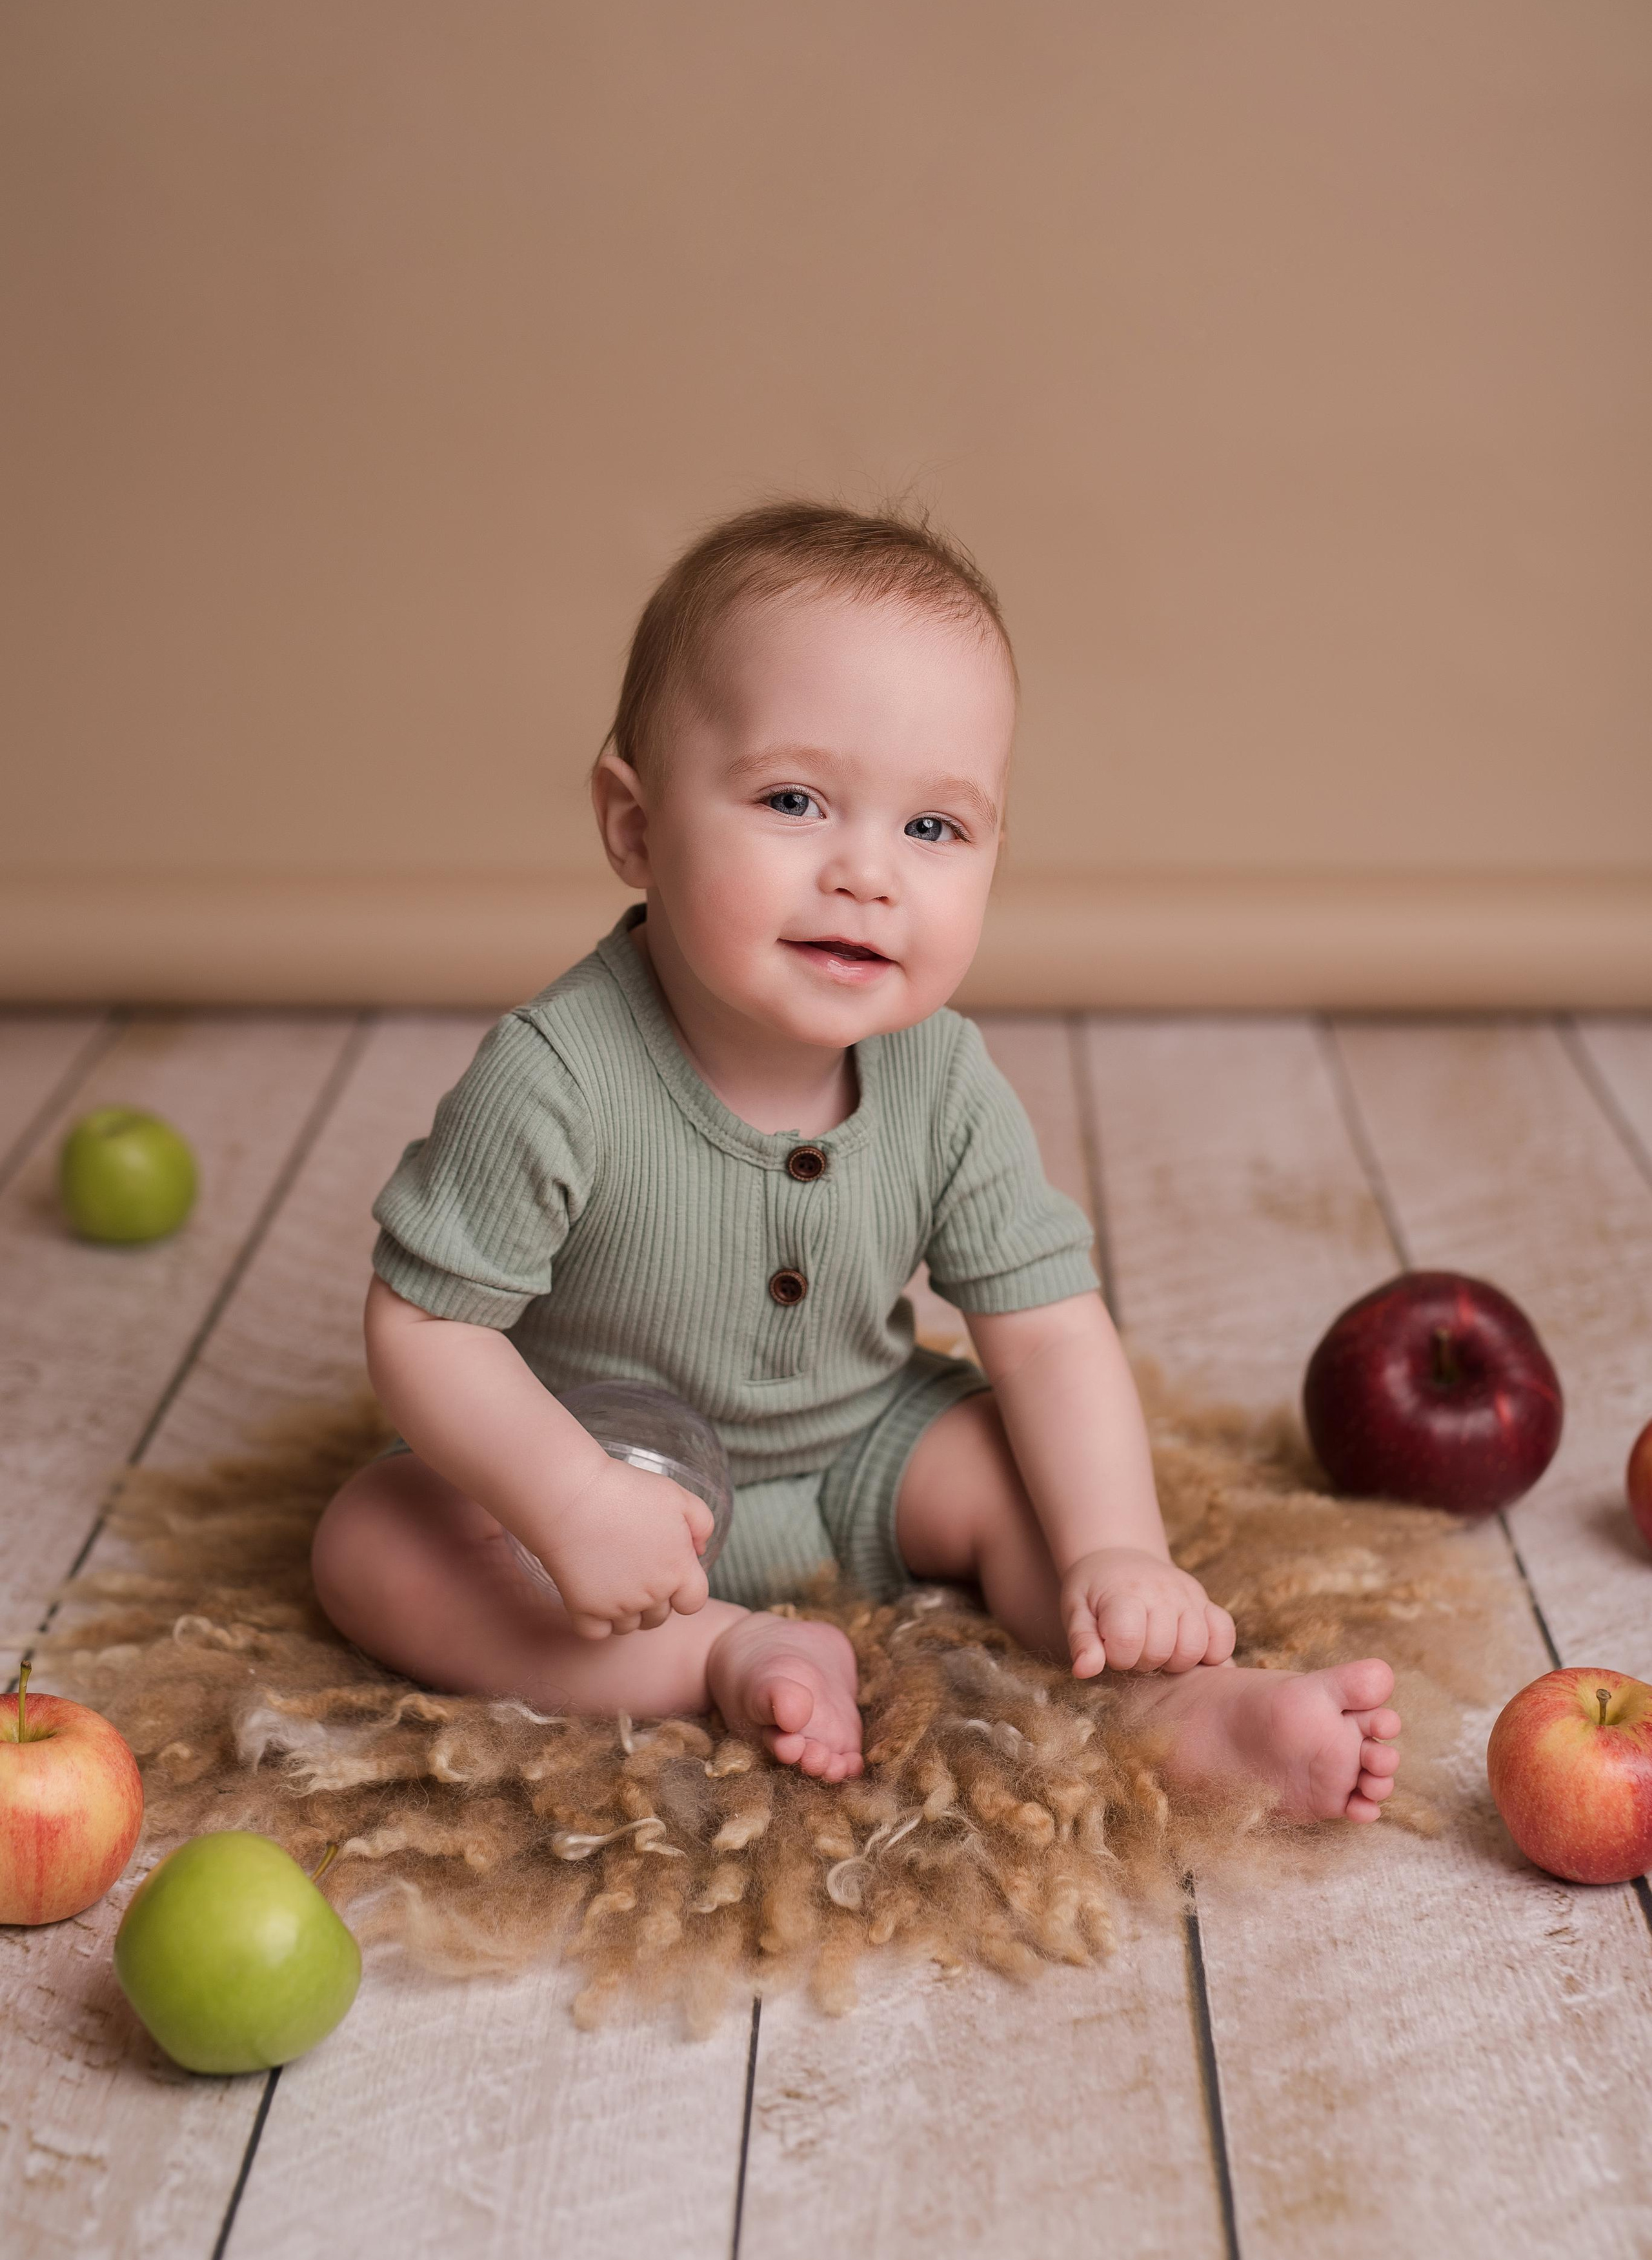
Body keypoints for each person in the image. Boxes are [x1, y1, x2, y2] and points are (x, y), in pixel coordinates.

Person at [312, 501, 1401, 1817]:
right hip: (607, 1464)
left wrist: (1118, 1551)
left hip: (861, 1452)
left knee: (1027, 1471)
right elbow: (425, 1329)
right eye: (793, 800)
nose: (865, 875)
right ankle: (718, 1653)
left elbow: (1047, 1332)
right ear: (634, 827)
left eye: (932, 830)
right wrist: (564, 1498)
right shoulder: (558, 1075)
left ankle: (1179, 1708)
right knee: (373, 1548)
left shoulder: (939, 1076)